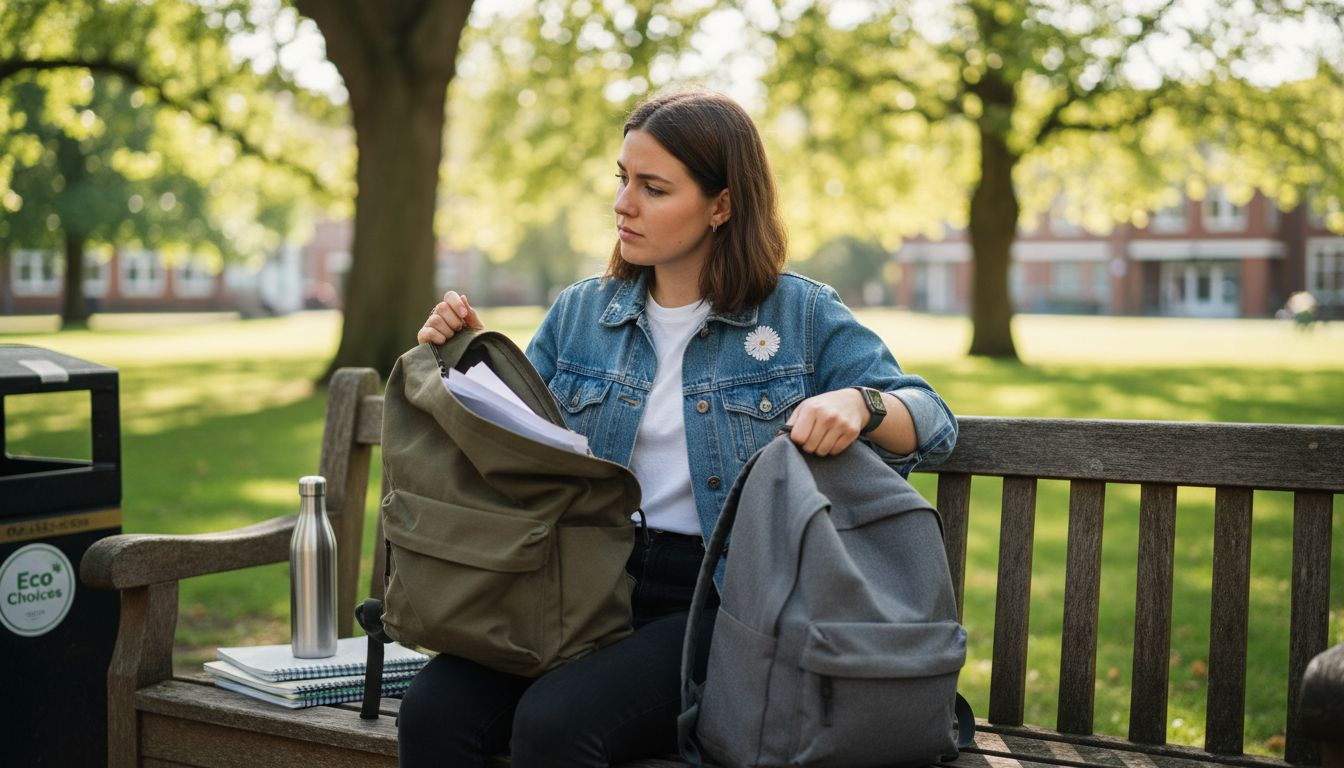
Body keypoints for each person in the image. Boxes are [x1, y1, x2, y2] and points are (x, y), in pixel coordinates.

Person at [402, 89, 957, 768]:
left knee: (555, 725)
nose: (624, 203)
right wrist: (464, 356)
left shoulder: (799, 314)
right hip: (573, 586)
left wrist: (862, 405)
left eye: (653, 187)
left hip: (714, 602)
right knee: (433, 711)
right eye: (623, 179)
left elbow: (930, 417)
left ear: (721, 205)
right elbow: (516, 445)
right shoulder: (582, 312)